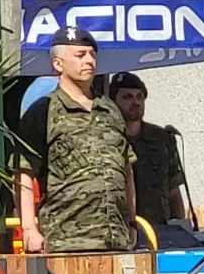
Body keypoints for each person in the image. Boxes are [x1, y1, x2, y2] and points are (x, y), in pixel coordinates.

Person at [13, 25, 135, 254]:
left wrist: (131, 221)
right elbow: (23, 173)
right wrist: (29, 228)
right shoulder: (44, 111)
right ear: (58, 63)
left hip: (115, 239)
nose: (89, 61)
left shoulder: (110, 110)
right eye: (80, 55)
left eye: (92, 55)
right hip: (66, 240)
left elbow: (126, 168)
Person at [109, 73, 189, 228]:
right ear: (113, 101)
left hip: (159, 228)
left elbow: (173, 190)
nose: (136, 102)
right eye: (127, 97)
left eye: (139, 97)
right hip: (120, 230)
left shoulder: (161, 138)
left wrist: (179, 227)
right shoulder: (106, 137)